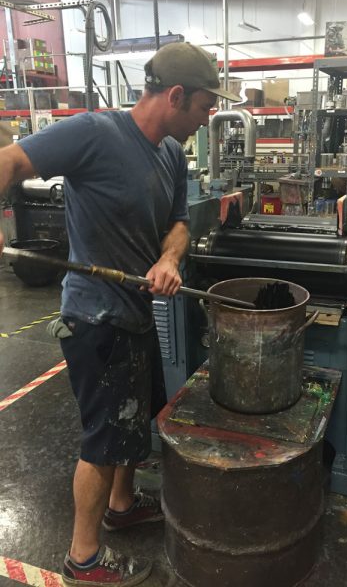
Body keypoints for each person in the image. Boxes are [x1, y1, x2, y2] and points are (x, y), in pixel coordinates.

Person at [0, 42, 240, 587]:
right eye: (205, 106)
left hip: (136, 312)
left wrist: (168, 257)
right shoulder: (95, 133)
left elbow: (179, 222)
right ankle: (83, 558)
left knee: (136, 417)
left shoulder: (172, 155)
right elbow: (10, 159)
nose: (207, 119)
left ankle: (123, 504)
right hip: (96, 318)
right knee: (103, 439)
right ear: (175, 95)